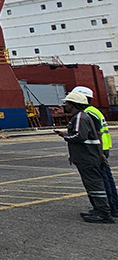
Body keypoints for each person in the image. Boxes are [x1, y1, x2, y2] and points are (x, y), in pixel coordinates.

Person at [55, 91, 113, 223]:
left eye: (67, 103)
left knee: (94, 184)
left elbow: (79, 136)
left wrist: (64, 135)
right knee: (92, 185)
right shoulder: (83, 116)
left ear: (73, 104)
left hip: (87, 157)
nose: (65, 105)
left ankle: (103, 213)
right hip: (89, 156)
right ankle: (99, 209)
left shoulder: (79, 117)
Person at [70, 87, 118, 218]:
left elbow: (95, 133)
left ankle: (107, 208)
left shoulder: (87, 113)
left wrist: (100, 154)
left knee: (100, 180)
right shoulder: (94, 111)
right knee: (106, 178)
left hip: (96, 150)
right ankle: (113, 206)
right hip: (101, 149)